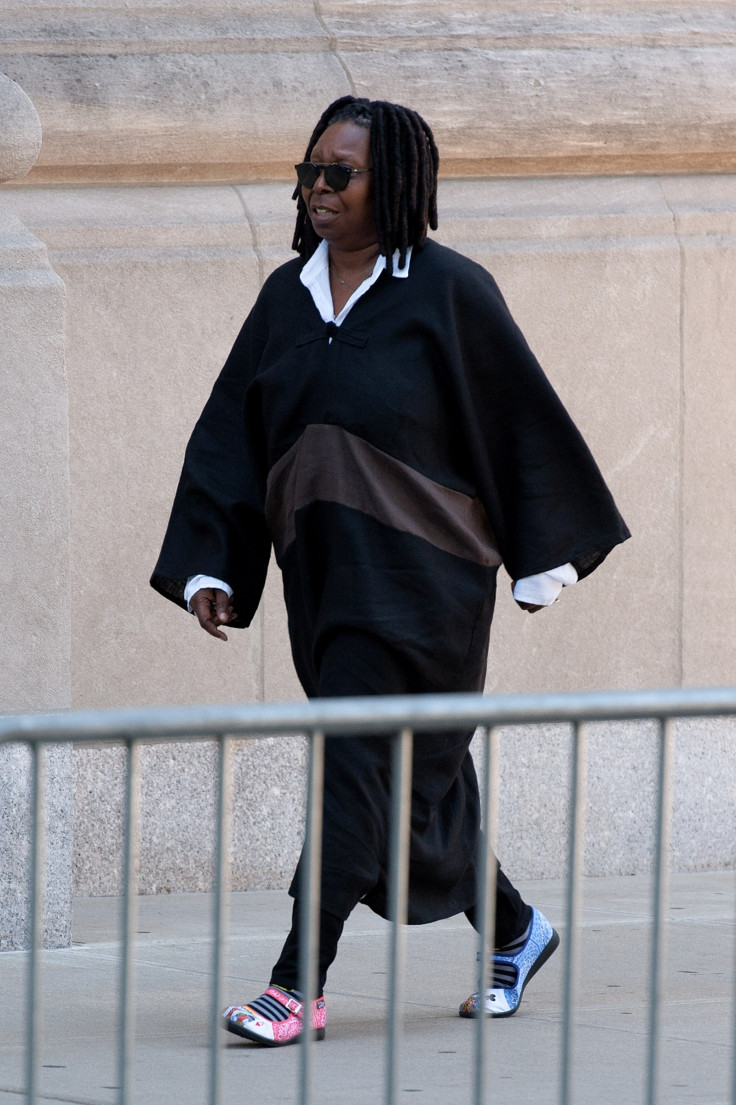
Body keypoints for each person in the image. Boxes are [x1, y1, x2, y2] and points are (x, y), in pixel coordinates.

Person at [151, 95, 630, 1047]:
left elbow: (521, 415)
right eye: (310, 169)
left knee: (358, 766)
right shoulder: (285, 297)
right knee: (417, 778)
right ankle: (516, 928)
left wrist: (546, 557)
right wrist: (214, 562)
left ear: (396, 184)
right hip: (319, 580)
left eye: (342, 173)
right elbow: (229, 437)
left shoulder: (449, 290)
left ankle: (297, 982)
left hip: (425, 585)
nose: (318, 188)